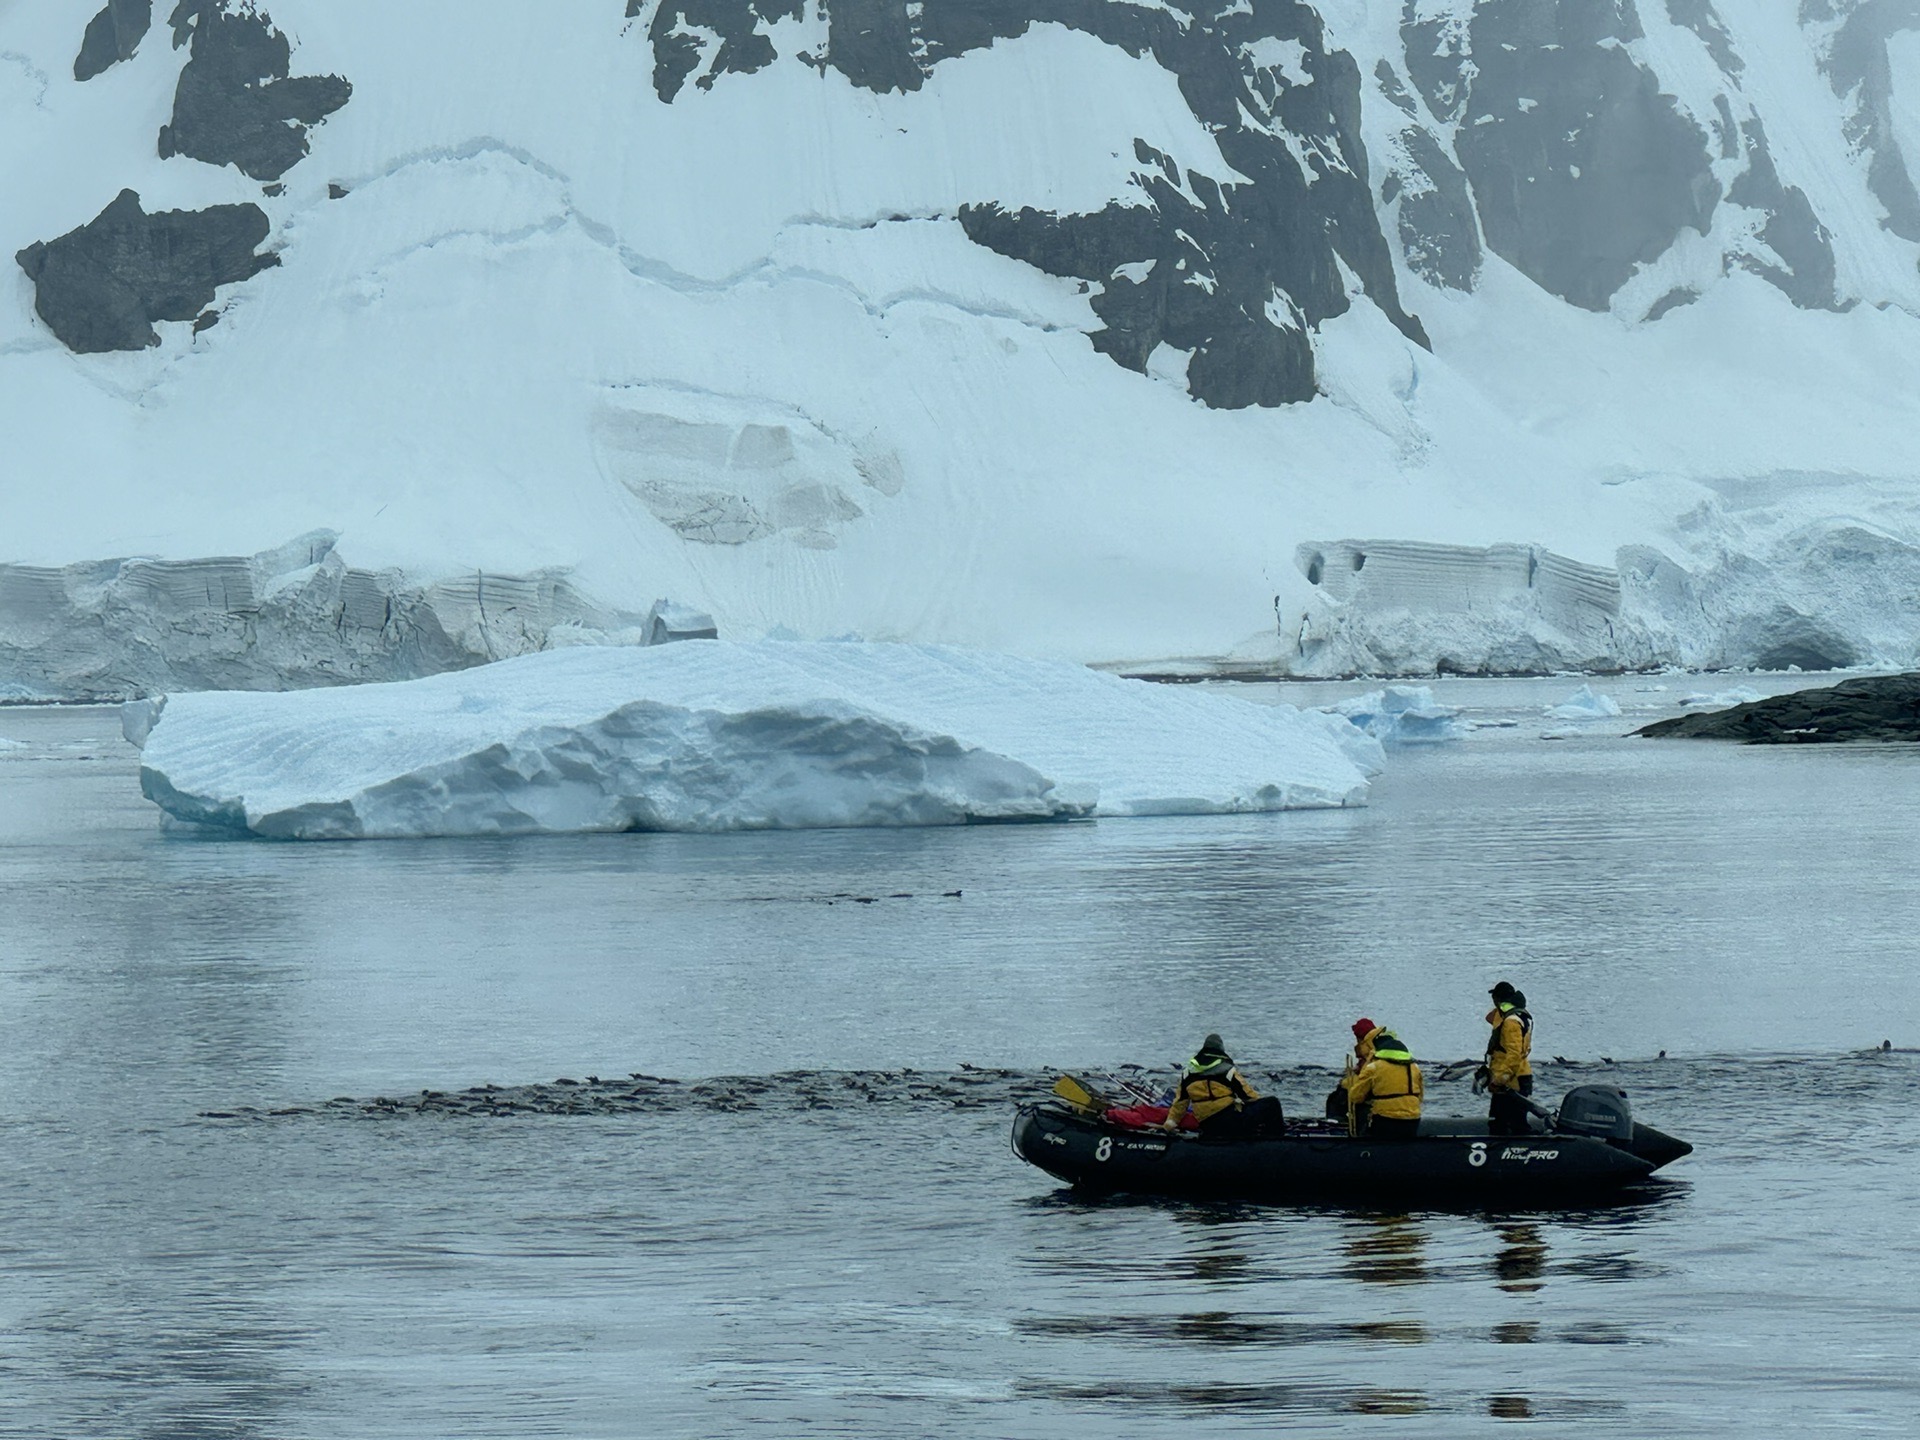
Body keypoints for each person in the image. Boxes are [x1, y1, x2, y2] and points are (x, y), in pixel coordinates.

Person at [1162, 1034, 1284, 1139]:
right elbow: (1249, 1096)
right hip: (1230, 1122)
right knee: (1272, 1104)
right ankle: (1274, 1141)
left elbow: (1179, 1105)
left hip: (1207, 1125)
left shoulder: (1187, 1074)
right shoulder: (1227, 1070)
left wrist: (1169, 1124)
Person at [1345, 1023, 1423, 1139]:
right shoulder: (1414, 1067)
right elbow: (1420, 1097)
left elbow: (1355, 1097)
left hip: (1385, 1121)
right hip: (1412, 1121)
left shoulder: (1374, 1067)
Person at [1480, 981, 1534, 1135]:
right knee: (1503, 1121)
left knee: (1508, 1123)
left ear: (1499, 999)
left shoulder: (1510, 1022)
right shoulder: (1516, 1016)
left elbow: (1513, 1054)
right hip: (1514, 1076)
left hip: (1512, 1079)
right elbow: (1489, 1017)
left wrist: (1501, 1078)